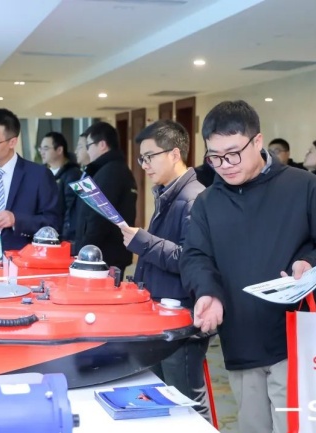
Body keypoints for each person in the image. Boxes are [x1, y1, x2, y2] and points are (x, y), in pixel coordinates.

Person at [179, 100, 316, 433]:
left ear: (258, 141)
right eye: (215, 157)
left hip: (296, 339)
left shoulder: (303, 186)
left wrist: (311, 263)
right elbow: (196, 256)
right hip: (241, 338)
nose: (224, 165)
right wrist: (207, 293)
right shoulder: (208, 202)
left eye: (233, 154)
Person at [120, 120, 210, 421]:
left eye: (150, 157)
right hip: (163, 314)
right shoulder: (169, 192)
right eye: (141, 159)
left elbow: (191, 259)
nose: (144, 165)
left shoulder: (193, 197)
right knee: (164, 397)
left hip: (181, 317)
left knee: (187, 403)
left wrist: (143, 242)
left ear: (174, 154)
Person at [0, 108, 61, 256]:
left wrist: (16, 220)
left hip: (22, 260)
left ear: (12, 142)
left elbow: (53, 223)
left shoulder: (38, 175)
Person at [74, 122, 136, 273]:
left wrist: (84, 250)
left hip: (102, 256)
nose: (88, 151)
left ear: (102, 145)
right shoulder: (110, 169)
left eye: (89, 146)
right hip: (106, 253)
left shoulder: (110, 173)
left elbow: (99, 217)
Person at [39, 132, 81, 242]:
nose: (42, 152)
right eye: (41, 148)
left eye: (46, 148)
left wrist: (66, 238)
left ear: (59, 150)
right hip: (44, 234)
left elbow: (71, 210)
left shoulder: (73, 174)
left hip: (62, 237)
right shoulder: (42, 173)